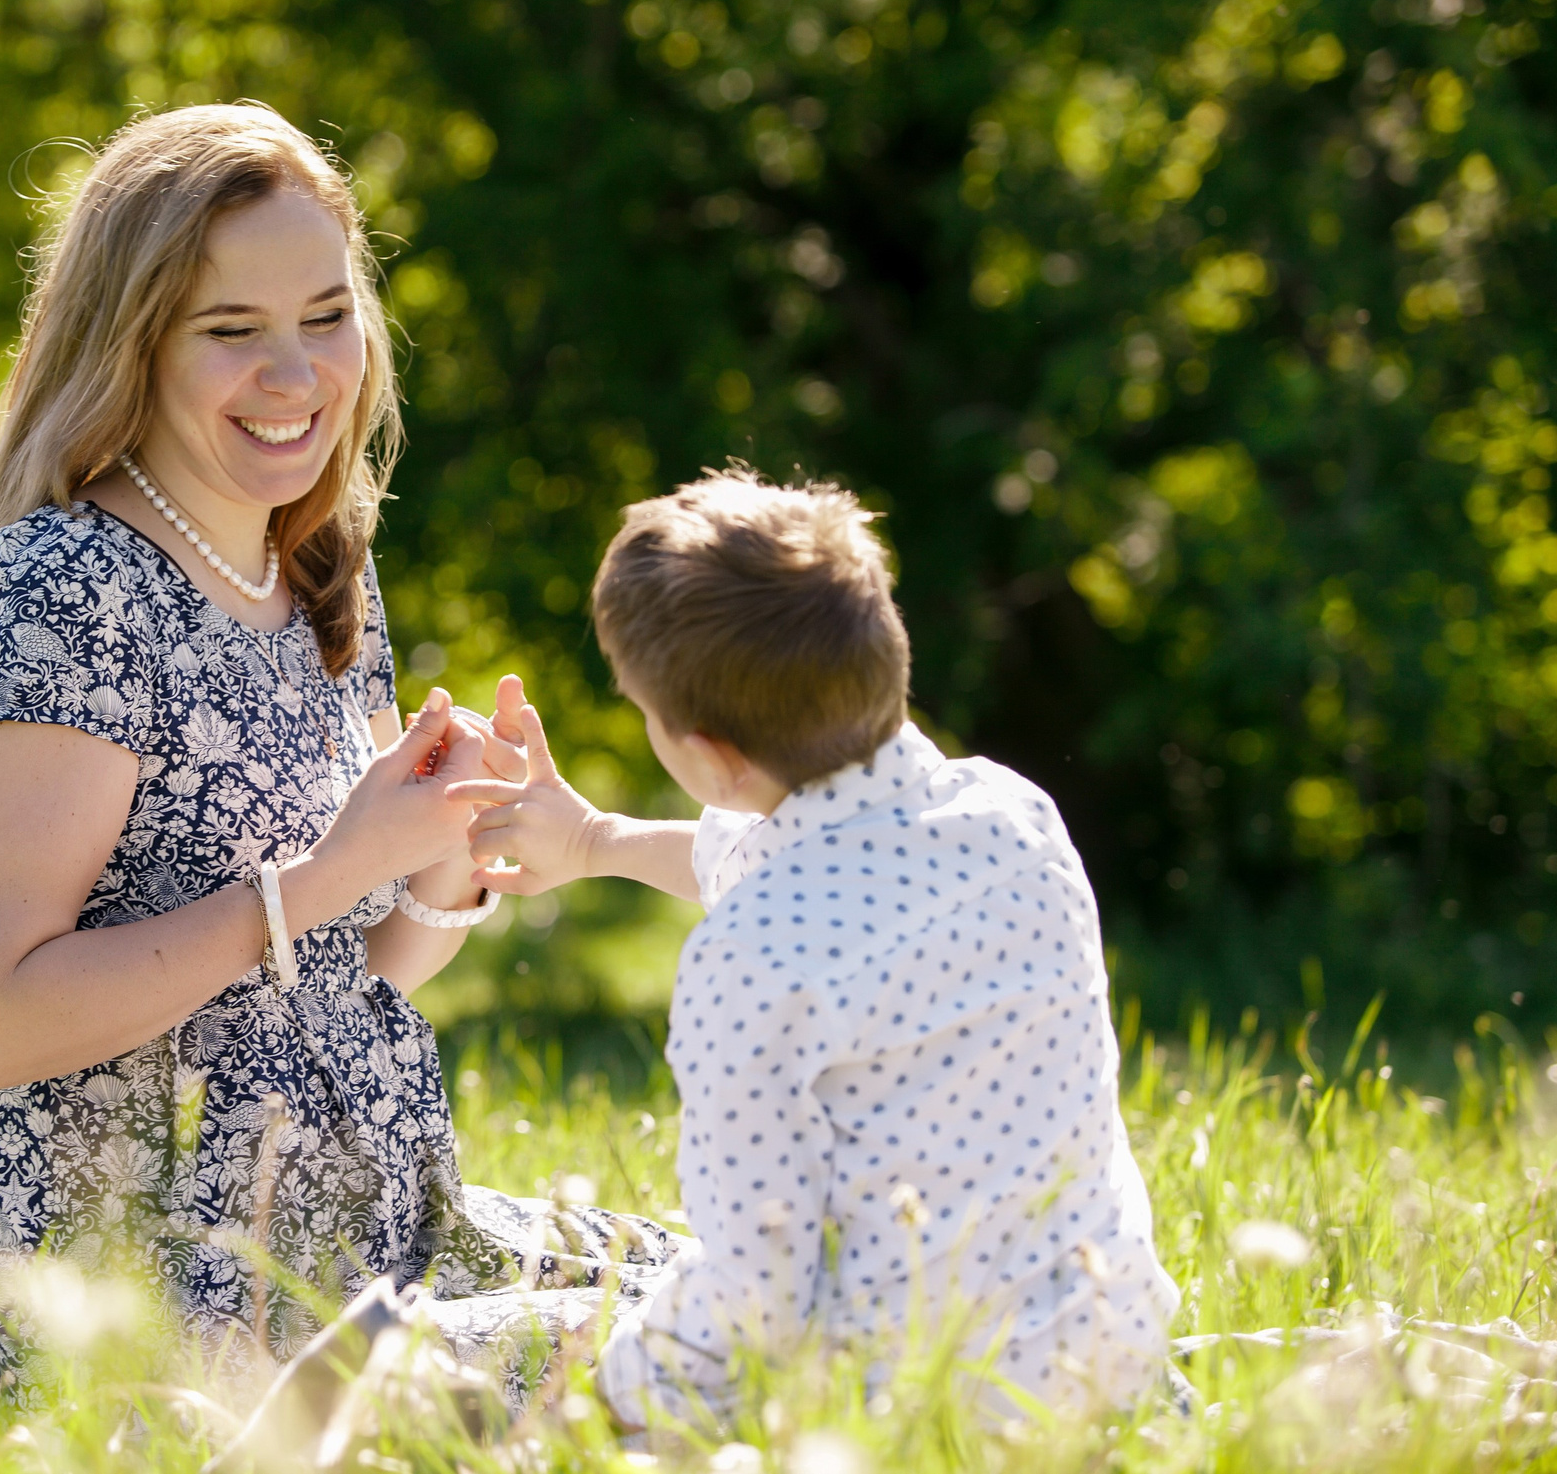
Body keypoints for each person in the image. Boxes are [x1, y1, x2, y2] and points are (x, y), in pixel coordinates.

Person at [0, 102, 676, 1388]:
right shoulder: (64, 592)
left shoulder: (315, 566)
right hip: (166, 1315)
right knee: (711, 1341)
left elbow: (341, 978)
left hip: (382, 1239)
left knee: (769, 1274)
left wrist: (442, 855)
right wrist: (328, 869)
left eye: (327, 317)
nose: (298, 374)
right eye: (231, 330)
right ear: (131, 344)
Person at [448, 470, 1178, 1426]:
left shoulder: (748, 957)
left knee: (419, 1352)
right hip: (1112, 1363)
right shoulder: (1014, 815)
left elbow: (755, 1296)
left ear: (709, 754)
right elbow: (797, 859)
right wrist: (592, 841)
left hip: (906, 1412)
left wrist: (596, 1408)